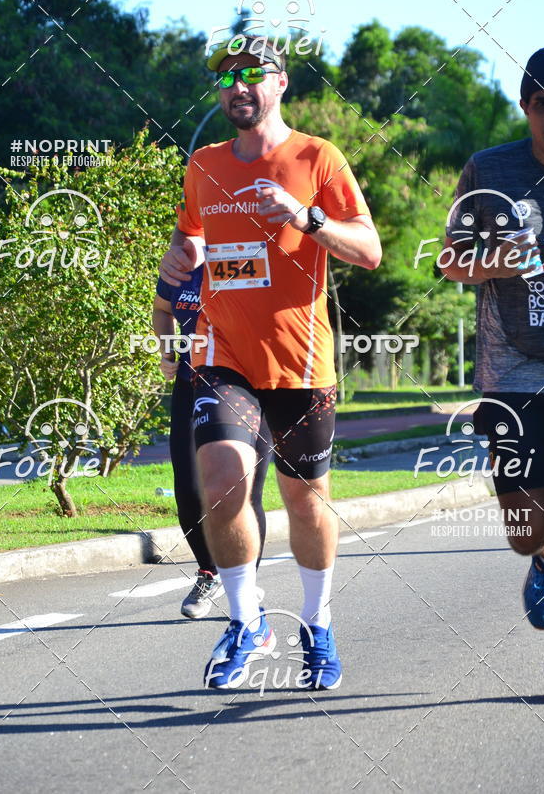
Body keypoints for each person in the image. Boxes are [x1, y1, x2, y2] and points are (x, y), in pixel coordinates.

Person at [159, 35, 381, 690]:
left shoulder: (318, 157)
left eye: (252, 73)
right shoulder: (203, 164)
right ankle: (247, 621)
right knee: (222, 475)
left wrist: (305, 217)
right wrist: (179, 256)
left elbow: (369, 250)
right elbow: (189, 237)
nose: (238, 87)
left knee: (305, 504)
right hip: (222, 352)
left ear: (281, 82)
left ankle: (317, 622)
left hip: (300, 362)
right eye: (226, 77)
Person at [441, 43, 544, 703]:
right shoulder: (490, 170)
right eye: (543, 104)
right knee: (526, 524)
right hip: (511, 373)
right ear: (525, 107)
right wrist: (496, 260)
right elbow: (449, 261)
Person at [152, 264, 269, 619]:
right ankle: (209, 572)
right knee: (189, 489)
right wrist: (168, 351)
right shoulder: (180, 264)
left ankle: (245, 582)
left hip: (247, 387)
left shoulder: (249, 259)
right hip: (192, 384)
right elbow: (162, 308)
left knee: (245, 491)